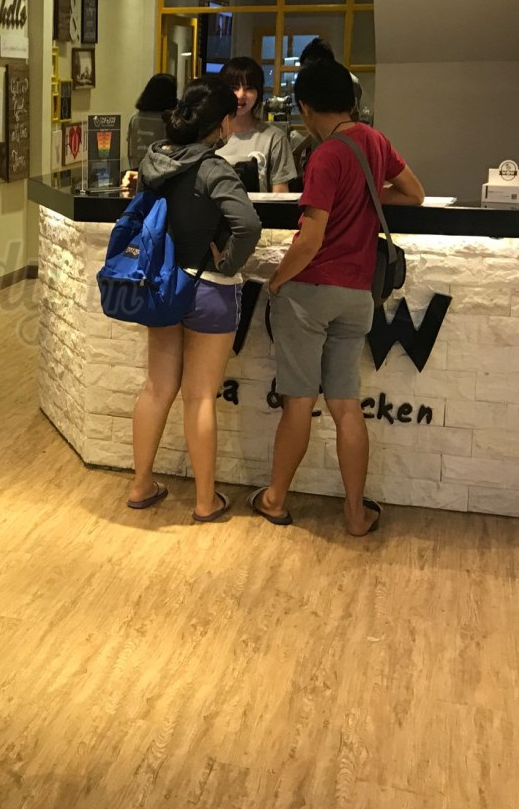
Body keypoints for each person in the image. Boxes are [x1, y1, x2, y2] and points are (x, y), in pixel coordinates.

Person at [254, 60, 424, 536]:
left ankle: (274, 499)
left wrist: (277, 281)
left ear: (305, 106)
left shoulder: (326, 154)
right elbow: (414, 193)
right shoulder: (375, 141)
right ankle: (354, 513)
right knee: (346, 404)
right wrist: (367, 196)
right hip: (357, 294)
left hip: (311, 292)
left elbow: (310, 240)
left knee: (298, 402)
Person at [126, 77, 262, 522]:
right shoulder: (213, 169)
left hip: (163, 286)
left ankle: (141, 486)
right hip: (209, 288)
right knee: (200, 397)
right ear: (221, 123)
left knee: (156, 387)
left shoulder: (154, 160)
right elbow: (248, 225)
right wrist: (228, 263)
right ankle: (205, 502)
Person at [216, 56, 297, 193]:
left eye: (249, 88)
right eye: (234, 88)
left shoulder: (274, 138)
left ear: (259, 93)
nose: (240, 95)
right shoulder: (209, 134)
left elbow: (280, 195)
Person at [127, 73, 176, 170]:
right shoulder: (168, 120)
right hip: (160, 172)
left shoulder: (135, 118)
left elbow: (131, 148)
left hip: (137, 169)